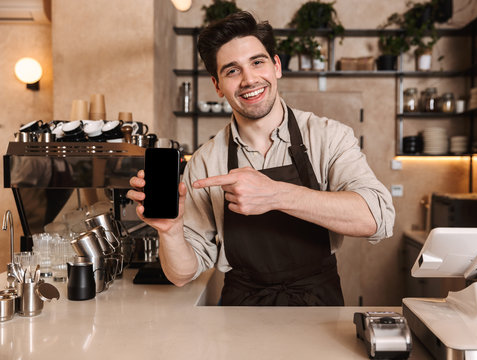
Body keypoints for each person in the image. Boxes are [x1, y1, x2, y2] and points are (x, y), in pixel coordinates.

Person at [127, 11, 395, 306]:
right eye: (232, 71)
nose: (249, 79)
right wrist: (171, 232)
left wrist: (276, 194)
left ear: (276, 66)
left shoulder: (328, 137)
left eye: (257, 62)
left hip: (319, 307)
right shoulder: (206, 161)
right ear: (217, 86)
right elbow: (181, 274)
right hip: (242, 310)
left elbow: (377, 218)